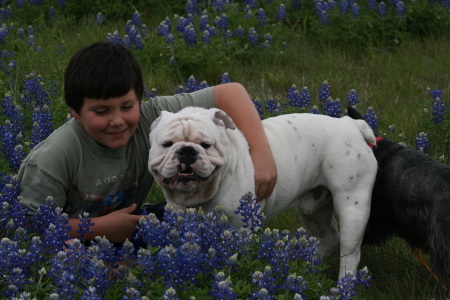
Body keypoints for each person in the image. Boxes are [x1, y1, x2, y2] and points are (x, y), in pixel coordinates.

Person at [18, 41, 277, 244]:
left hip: (130, 223)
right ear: (75, 112)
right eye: (101, 111)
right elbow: (30, 222)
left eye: (127, 106)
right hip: (67, 243)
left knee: (193, 222)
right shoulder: (56, 156)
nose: (118, 120)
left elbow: (230, 92)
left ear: (140, 100)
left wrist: (261, 151)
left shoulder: (152, 117)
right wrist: (101, 229)